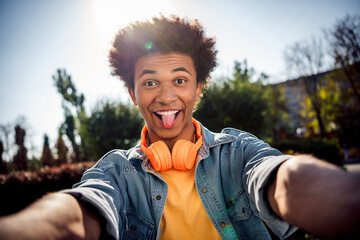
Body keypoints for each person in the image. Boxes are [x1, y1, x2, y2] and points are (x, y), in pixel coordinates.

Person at [0, 15, 359, 240]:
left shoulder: (238, 151)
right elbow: (78, 212)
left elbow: (286, 180)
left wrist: (345, 196)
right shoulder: (115, 172)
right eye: (151, 82)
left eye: (181, 79)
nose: (166, 96)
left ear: (199, 88)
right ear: (132, 93)